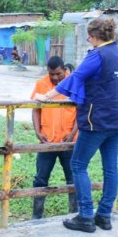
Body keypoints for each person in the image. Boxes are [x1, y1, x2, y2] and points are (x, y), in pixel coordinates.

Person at [34, 17, 118, 233]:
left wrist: (48, 95)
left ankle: (86, 215)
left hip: (98, 119)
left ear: (96, 36)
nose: (88, 39)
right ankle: (105, 215)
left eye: (89, 35)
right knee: (111, 167)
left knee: (78, 165)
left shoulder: (97, 55)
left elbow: (75, 77)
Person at [30, 56, 78, 219]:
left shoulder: (74, 83)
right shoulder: (41, 84)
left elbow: (81, 111)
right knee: (40, 179)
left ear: (64, 70)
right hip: (47, 142)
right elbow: (35, 109)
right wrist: (37, 131)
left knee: (72, 179)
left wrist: (72, 134)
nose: (55, 77)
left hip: (69, 142)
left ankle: (74, 214)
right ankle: (36, 216)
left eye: (58, 74)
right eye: (52, 74)